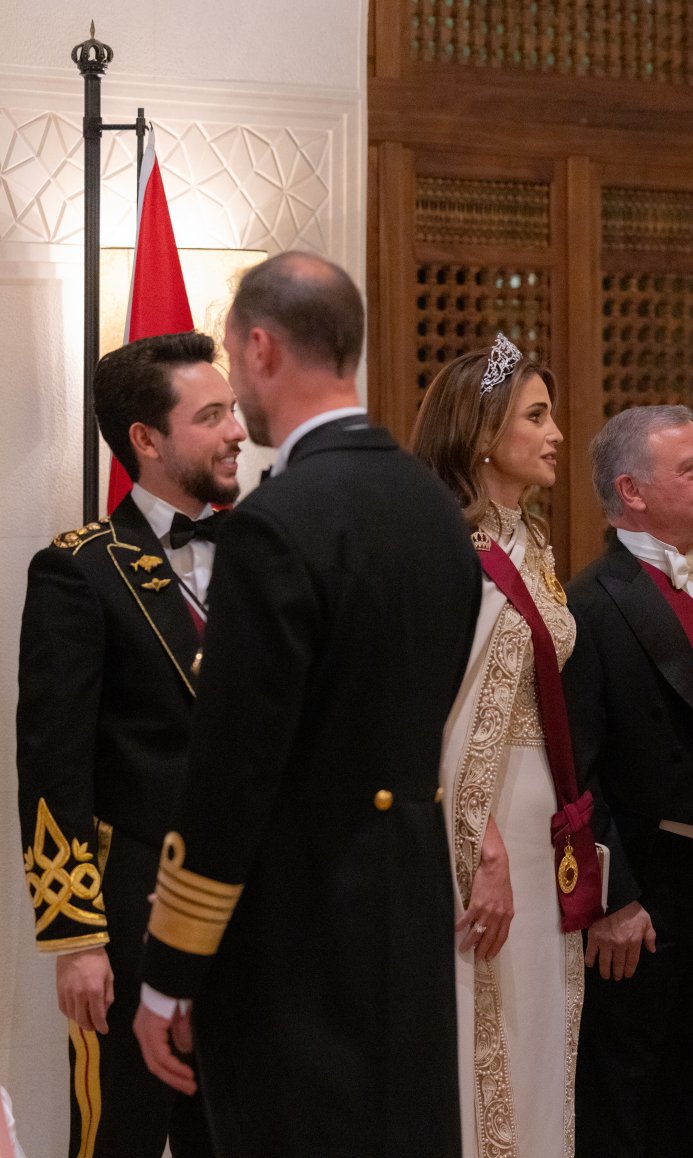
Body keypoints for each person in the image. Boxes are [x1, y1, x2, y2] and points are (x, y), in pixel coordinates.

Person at [132, 252, 481, 1156]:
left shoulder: (277, 524)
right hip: (409, 914)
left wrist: (170, 968)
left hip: (297, 939)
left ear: (261, 348)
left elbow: (234, 768)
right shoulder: (432, 508)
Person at [16, 330, 242, 1158]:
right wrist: (76, 936)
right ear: (146, 439)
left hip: (250, 917)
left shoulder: (265, 555)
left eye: (232, 410)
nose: (236, 432)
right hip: (130, 918)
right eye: (210, 416)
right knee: (121, 1139)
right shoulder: (78, 571)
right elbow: (53, 765)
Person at [565, 404, 693, 1158]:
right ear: (632, 491)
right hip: (647, 904)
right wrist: (612, 901)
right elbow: (576, 771)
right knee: (626, 1117)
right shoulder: (591, 603)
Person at [411, 333, 589, 1158]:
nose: (557, 433)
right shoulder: (455, 550)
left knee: (540, 1025)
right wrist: (478, 842)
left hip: (538, 813)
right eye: (536, 416)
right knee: (489, 1021)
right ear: (483, 433)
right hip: (483, 822)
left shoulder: (533, 542)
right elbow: (439, 714)